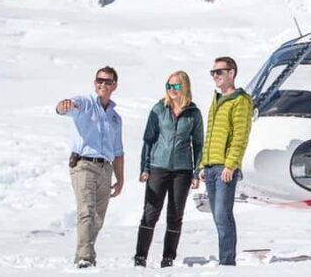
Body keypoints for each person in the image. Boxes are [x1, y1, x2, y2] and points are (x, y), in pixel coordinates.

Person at [56, 66, 125, 269]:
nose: (102, 84)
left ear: (114, 86)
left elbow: (119, 151)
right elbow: (66, 107)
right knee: (86, 210)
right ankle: (85, 257)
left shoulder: (115, 118)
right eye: (99, 81)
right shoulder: (85, 103)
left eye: (107, 81)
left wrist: (120, 179)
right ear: (95, 83)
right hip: (84, 164)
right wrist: (63, 106)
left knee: (97, 217)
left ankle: (85, 254)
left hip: (106, 168)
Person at [134, 71, 204, 268]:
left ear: (185, 87)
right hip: (158, 167)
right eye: (168, 86)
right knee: (150, 212)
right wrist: (145, 167)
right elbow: (148, 140)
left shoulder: (193, 113)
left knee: (175, 214)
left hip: (182, 170)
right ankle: (140, 257)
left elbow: (198, 143)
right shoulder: (158, 109)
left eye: (176, 86)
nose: (171, 90)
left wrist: (196, 171)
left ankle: (168, 258)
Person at [198, 56, 253, 266]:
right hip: (211, 167)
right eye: (213, 72)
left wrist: (231, 164)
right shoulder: (217, 100)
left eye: (219, 72)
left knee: (223, 215)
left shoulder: (240, 100)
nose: (215, 76)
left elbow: (240, 135)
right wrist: (203, 165)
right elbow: (210, 135)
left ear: (232, 73)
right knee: (217, 217)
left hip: (224, 168)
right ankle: (225, 259)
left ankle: (227, 263)